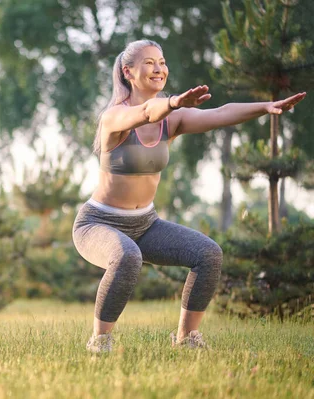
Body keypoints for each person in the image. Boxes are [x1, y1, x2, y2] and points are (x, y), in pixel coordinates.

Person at [72, 39, 306, 353]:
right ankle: (100, 340)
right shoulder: (115, 117)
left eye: (162, 61)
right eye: (149, 62)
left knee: (207, 254)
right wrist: (171, 103)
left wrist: (265, 108)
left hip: (145, 224)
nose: (159, 68)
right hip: (98, 224)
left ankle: (187, 338)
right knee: (127, 256)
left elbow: (222, 112)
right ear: (127, 71)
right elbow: (146, 111)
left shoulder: (173, 119)